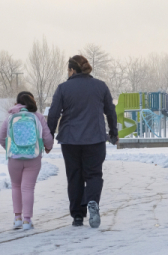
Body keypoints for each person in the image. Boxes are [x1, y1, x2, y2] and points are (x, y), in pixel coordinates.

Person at [47, 55, 118, 228]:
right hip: (95, 138)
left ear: (72, 70)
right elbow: (110, 111)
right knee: (94, 174)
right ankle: (92, 201)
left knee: (74, 176)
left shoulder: (63, 88)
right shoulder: (100, 86)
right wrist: (113, 132)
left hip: (70, 140)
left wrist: (48, 136)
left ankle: (78, 216)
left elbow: (54, 114)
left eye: (68, 70)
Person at [0, 92, 54, 230]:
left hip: (14, 158)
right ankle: (27, 221)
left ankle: (17, 218)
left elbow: (1, 138)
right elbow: (47, 137)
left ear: (17, 102)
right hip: (33, 156)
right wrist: (47, 147)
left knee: (16, 186)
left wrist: (11, 148)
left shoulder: (10, 117)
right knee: (28, 188)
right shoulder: (38, 116)